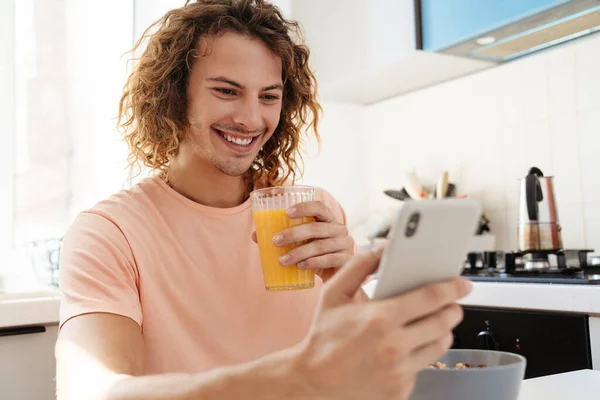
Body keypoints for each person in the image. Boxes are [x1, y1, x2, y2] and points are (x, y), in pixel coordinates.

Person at [55, 1, 471, 399]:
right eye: (227, 91)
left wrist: (348, 287)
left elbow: (366, 374)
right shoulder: (110, 233)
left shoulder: (314, 214)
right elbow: (94, 391)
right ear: (174, 94)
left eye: (269, 96)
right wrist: (295, 379)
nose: (251, 119)